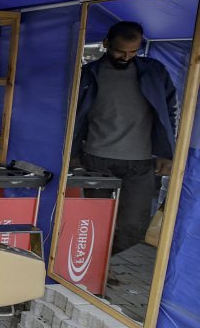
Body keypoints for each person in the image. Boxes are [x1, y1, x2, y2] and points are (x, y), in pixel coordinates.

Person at [71, 21, 177, 254]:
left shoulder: (155, 71)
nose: (126, 57)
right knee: (94, 221)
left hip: (140, 161)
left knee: (133, 226)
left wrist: (167, 153)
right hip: (96, 158)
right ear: (106, 44)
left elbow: (169, 113)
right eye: (120, 51)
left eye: (133, 52)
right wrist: (74, 154)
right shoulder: (88, 74)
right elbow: (74, 117)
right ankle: (94, 265)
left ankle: (109, 259)